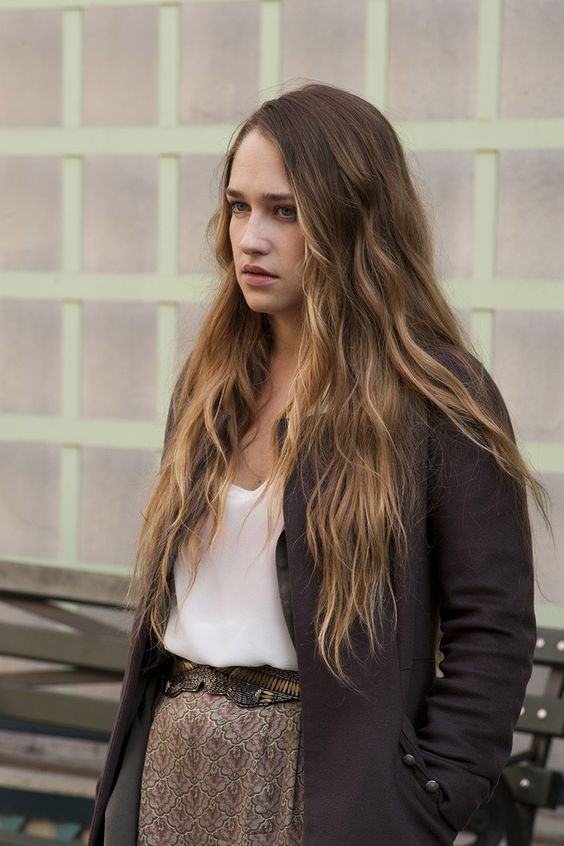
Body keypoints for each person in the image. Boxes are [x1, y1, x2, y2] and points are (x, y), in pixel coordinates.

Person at [87, 82, 551, 846]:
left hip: (318, 786)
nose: (250, 238)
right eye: (238, 206)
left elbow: (492, 626)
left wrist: (429, 803)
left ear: (355, 220)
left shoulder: (434, 398)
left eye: (285, 211)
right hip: (172, 762)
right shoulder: (211, 386)